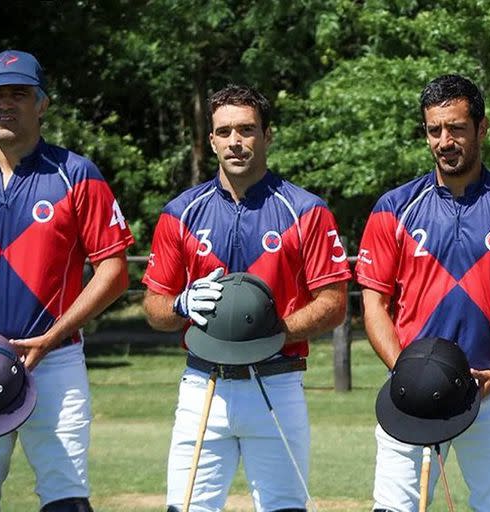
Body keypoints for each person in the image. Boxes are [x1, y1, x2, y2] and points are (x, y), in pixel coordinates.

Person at [355, 74, 490, 512]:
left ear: (482, 128)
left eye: (456, 128)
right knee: (394, 507)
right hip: (409, 394)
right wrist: (409, 374)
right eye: (435, 130)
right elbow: (374, 301)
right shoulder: (394, 207)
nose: (445, 141)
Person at [0, 50, 133, 512]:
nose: (7, 104)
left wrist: (52, 336)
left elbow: (115, 270)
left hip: (56, 362)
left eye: (19, 94)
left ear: (42, 103)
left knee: (66, 497)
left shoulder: (77, 174)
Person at [142, 84, 351, 512]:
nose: (236, 142)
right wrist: (181, 304)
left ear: (267, 135)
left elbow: (334, 302)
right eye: (225, 132)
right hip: (204, 383)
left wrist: (273, 332)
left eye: (247, 129)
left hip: (276, 379)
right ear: (211, 140)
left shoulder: (306, 210)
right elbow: (154, 308)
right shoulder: (180, 212)